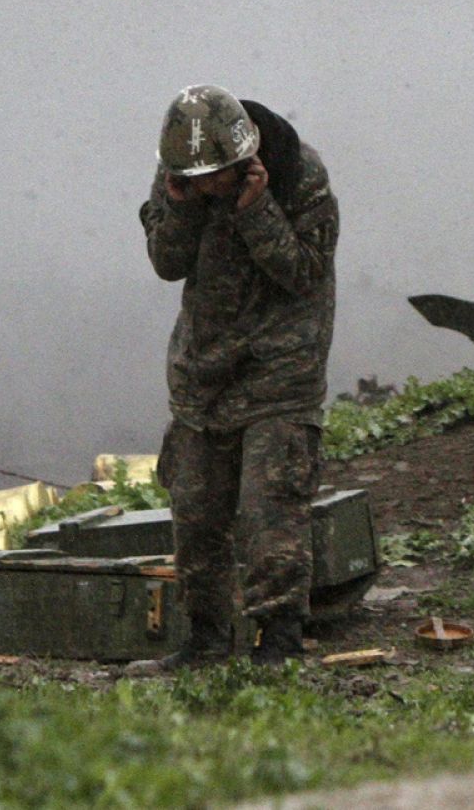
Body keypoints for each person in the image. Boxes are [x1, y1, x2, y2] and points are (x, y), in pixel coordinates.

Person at [135, 84, 339, 669]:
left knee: (270, 511)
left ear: (245, 159)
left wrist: (257, 210)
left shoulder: (300, 177)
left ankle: (279, 643)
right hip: (204, 372)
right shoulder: (180, 174)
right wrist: (178, 207)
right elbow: (167, 263)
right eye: (194, 179)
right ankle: (205, 640)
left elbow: (303, 272)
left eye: (215, 177)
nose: (206, 188)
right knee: (195, 510)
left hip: (281, 372)